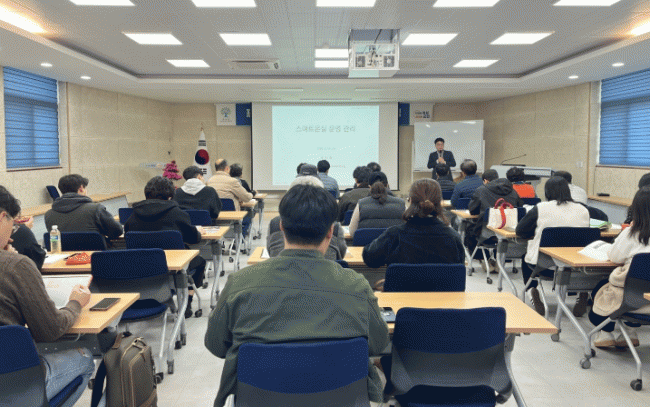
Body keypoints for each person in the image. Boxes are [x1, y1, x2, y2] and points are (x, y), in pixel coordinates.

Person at [205, 184, 390, 407]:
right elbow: (379, 343)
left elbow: (215, 344)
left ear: (281, 227)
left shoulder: (240, 284)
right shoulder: (356, 287)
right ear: (330, 232)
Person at [0, 185, 95, 407]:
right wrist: (75, 303)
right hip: (12, 382)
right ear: (3, 217)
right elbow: (50, 330)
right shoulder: (16, 266)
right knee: (85, 358)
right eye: (13, 226)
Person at [125, 176, 206, 318]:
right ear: (170, 196)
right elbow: (194, 239)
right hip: (175, 268)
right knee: (199, 261)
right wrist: (198, 232)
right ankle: (187, 301)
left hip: (142, 268)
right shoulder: (177, 213)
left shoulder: (133, 215)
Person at [516, 176, 590, 315]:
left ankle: (532, 290)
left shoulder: (541, 208)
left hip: (545, 264)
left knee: (526, 259)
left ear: (547, 192)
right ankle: (582, 292)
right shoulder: (583, 210)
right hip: (575, 264)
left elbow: (520, 231)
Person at [589, 187, 650, 349]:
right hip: (647, 299)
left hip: (632, 299)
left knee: (600, 290)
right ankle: (629, 333)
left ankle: (605, 333)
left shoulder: (633, 233)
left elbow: (615, 256)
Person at [363, 179, 464, 268]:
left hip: (402, 284)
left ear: (410, 201)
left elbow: (370, 258)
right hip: (442, 285)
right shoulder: (453, 237)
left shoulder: (394, 235)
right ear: (439, 202)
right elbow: (458, 271)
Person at [267, 176, 347, 260]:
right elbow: (341, 254)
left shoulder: (275, 223)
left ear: (281, 225)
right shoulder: (333, 225)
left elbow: (270, 250)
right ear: (331, 230)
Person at [44, 174, 123, 246]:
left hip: (64, 255)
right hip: (95, 254)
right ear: (81, 188)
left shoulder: (48, 215)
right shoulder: (96, 208)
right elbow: (117, 231)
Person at [466, 170, 523, 258]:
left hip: (487, 232)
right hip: (508, 231)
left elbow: (473, 210)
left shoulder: (481, 190)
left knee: (469, 229)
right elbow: (520, 208)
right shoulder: (513, 191)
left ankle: (482, 258)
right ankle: (499, 258)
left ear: (485, 181)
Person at [349, 171, 405, 238]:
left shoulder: (361, 204)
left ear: (369, 187)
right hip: (394, 244)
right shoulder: (401, 203)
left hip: (367, 244)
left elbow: (352, 232)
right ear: (387, 185)